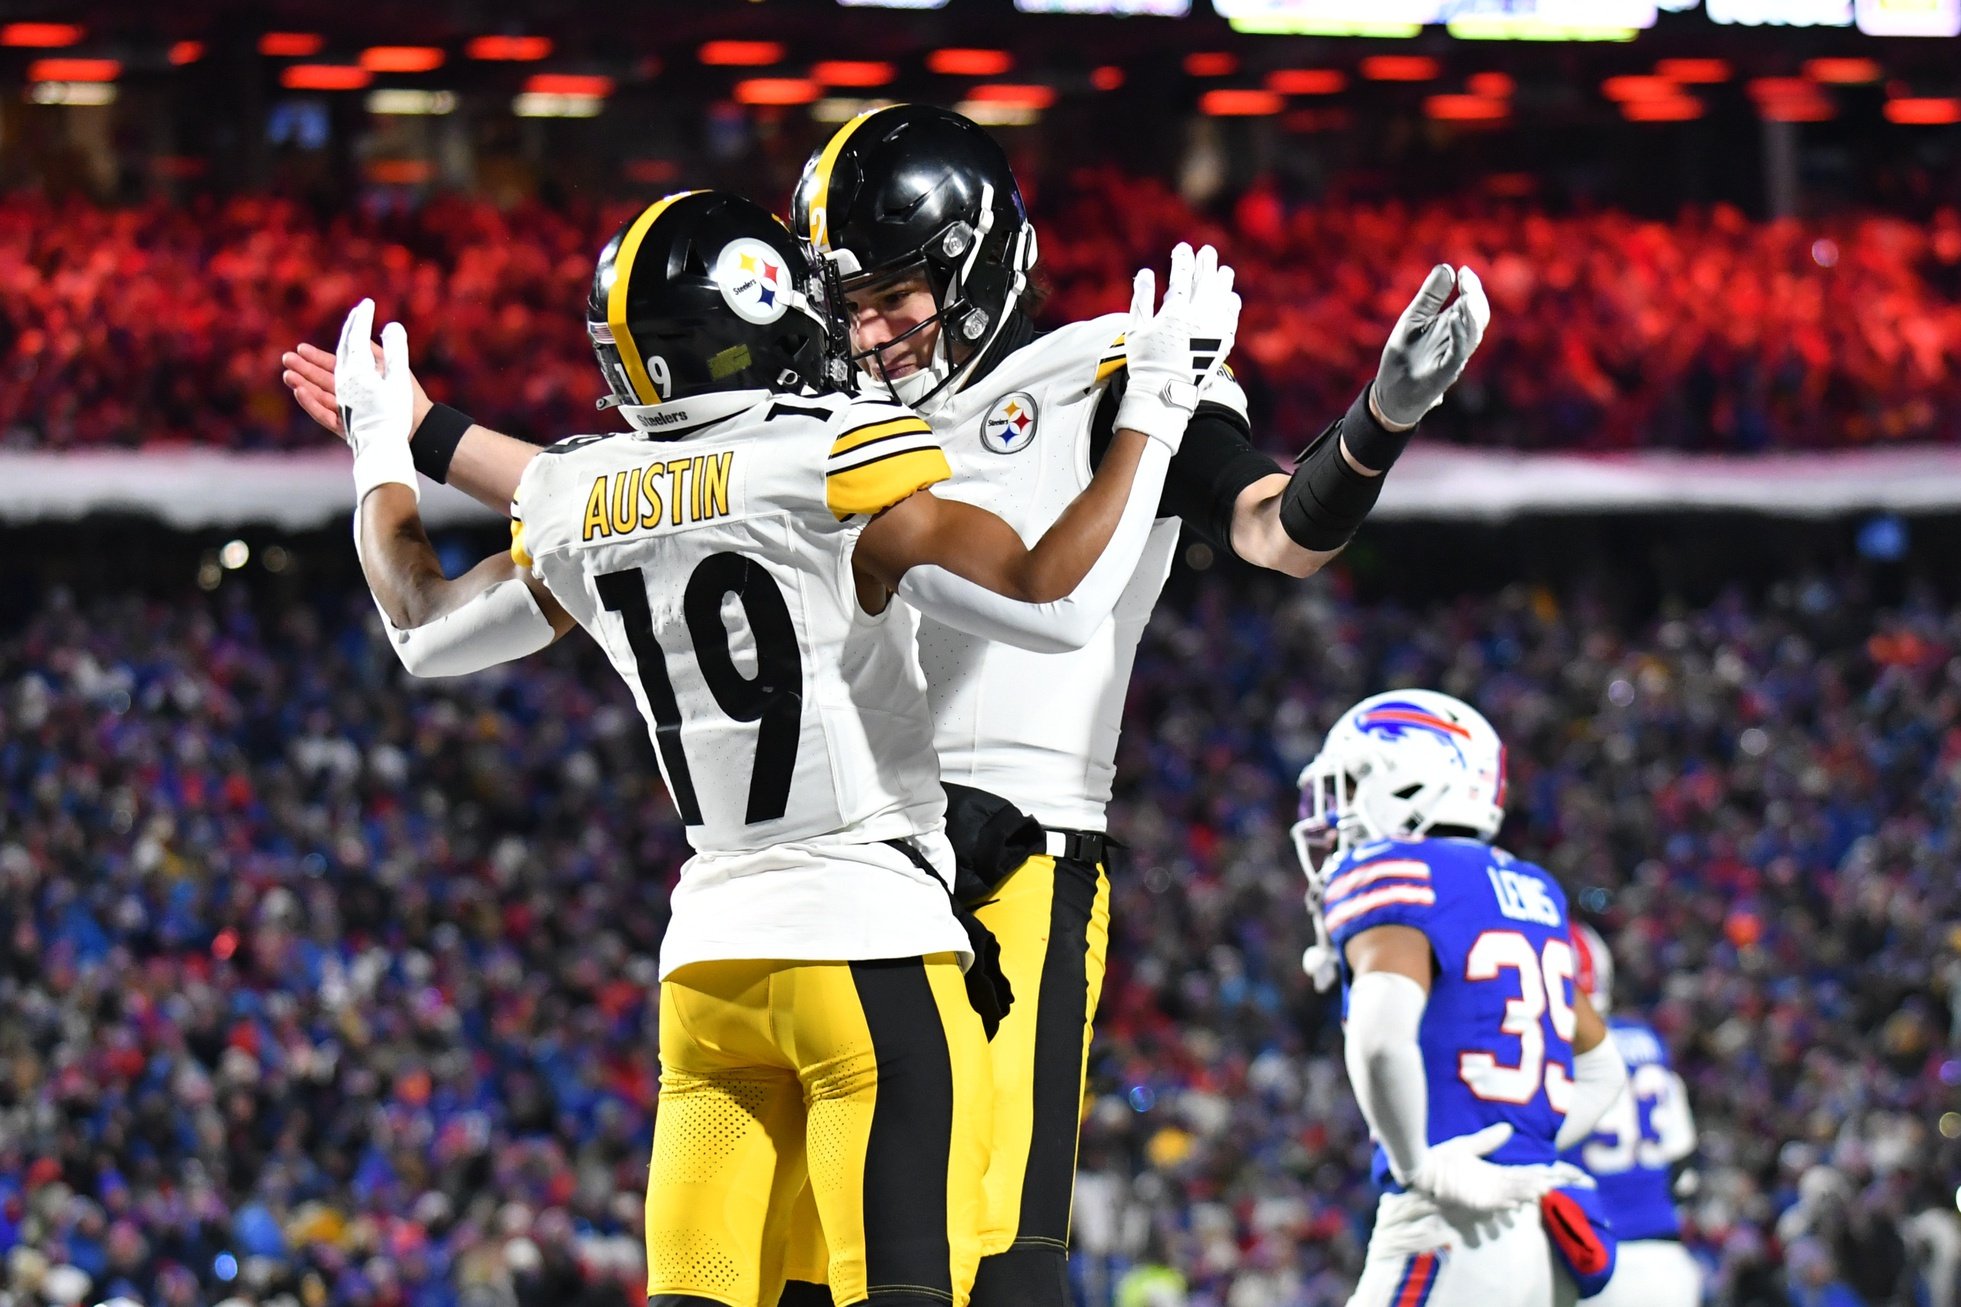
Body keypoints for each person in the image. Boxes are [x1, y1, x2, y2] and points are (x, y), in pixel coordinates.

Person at [280, 104, 1487, 1307]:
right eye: (843, 304)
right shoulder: (839, 421)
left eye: (893, 296)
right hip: (871, 859)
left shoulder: (1114, 368)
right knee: (817, 1273)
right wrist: (418, 431)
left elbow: (1273, 531)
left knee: (997, 1262)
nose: (870, 330)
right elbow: (642, 482)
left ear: (971, 262)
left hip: (1017, 845)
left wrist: (1375, 424)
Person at [1293, 690, 1629, 1307]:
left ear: (1416, 780)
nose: (1330, 817)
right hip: (1537, 1231)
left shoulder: (1397, 873)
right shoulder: (1532, 887)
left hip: (1448, 1223)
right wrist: (1526, 1154)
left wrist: (1419, 1163)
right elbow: (1605, 1066)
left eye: (1350, 785)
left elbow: (1381, 1040)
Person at [1561, 924, 1704, 1307]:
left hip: (1596, 1266)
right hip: (1669, 1264)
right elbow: (1684, 1168)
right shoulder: (1646, 1040)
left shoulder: (1554, 1054)